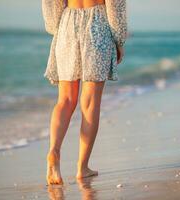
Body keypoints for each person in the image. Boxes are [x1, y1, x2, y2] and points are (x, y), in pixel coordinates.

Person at [41, 0, 127, 185]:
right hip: (98, 25)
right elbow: (115, 4)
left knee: (64, 100)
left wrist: (57, 27)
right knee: (89, 103)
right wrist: (119, 40)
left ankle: (54, 150)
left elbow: (51, 4)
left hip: (67, 24)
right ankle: (82, 168)